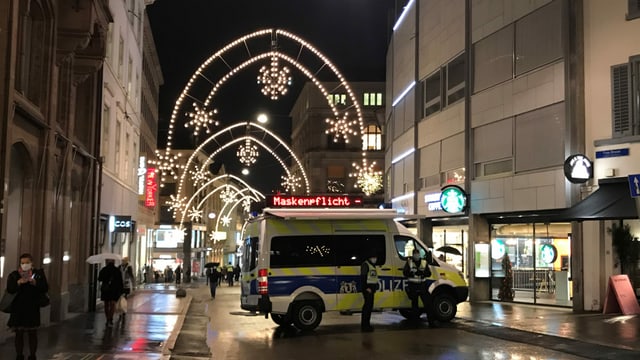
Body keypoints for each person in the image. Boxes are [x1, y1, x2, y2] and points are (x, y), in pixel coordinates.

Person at [6, 253, 48, 360]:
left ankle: (32, 355)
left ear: (32, 263)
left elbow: (45, 288)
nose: (25, 265)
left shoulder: (38, 274)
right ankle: (19, 355)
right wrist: (18, 283)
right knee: (18, 333)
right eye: (22, 263)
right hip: (18, 308)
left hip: (32, 307)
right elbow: (10, 289)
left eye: (27, 263)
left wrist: (35, 283)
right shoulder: (14, 275)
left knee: (32, 333)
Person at [403, 248, 436, 327]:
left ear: (419, 254)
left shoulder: (424, 262)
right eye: (415, 254)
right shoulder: (409, 262)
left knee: (428, 304)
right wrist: (411, 274)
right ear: (413, 255)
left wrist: (423, 273)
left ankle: (431, 322)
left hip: (422, 285)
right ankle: (415, 323)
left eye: (417, 254)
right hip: (413, 285)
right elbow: (405, 272)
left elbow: (429, 273)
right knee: (414, 306)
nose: (416, 255)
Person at [98, 259, 124, 327]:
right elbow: (120, 281)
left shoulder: (104, 269)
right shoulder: (117, 270)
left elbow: (99, 278)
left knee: (106, 304)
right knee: (113, 304)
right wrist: (121, 290)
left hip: (105, 289)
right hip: (114, 289)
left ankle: (107, 319)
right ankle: (110, 318)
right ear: (113, 262)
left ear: (107, 262)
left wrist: (105, 279)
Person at [360, 250, 379, 332]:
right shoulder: (366, 265)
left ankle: (367, 324)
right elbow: (363, 277)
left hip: (371, 289)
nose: (375, 259)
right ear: (370, 257)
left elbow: (373, 277)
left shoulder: (372, 265)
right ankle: (365, 325)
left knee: (369, 307)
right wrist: (366, 288)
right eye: (374, 257)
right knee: (367, 308)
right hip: (368, 289)